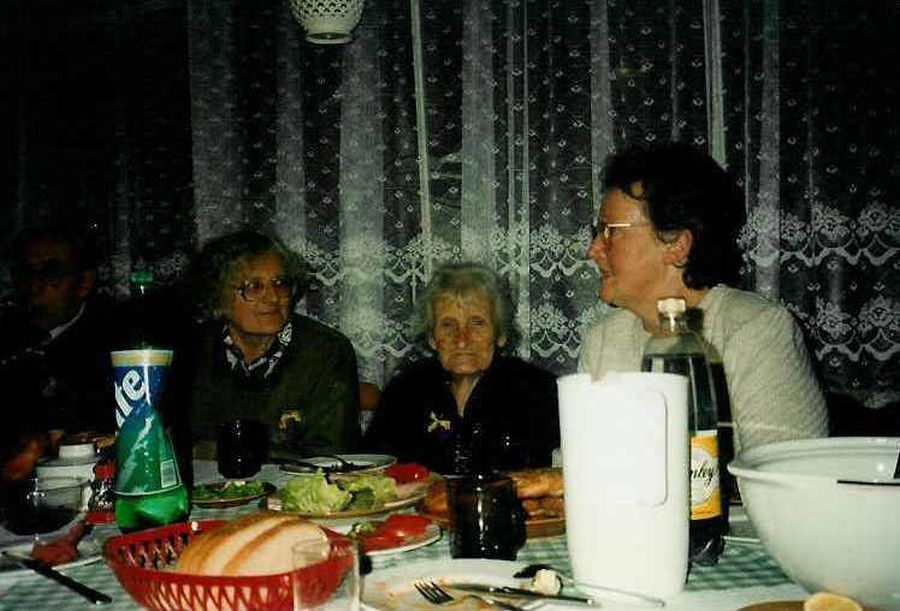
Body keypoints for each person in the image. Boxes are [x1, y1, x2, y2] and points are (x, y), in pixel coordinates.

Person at [578, 142, 828, 453]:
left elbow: (786, 471)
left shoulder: (756, 330)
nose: (593, 250)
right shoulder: (602, 341)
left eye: (609, 231)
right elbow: (583, 462)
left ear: (676, 245)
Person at [364, 262, 559, 474]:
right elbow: (374, 472)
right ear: (432, 337)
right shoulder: (404, 391)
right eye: (448, 325)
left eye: (477, 323)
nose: (462, 340)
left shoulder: (538, 391)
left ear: (500, 334)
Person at [184, 230, 361, 458]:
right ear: (217, 297)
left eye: (280, 284)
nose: (273, 298)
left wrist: (218, 450)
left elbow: (331, 453)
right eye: (254, 286)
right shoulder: (193, 351)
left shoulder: (326, 351)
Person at [0, 225, 117, 481]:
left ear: (84, 283)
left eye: (50, 273)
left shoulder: (114, 340)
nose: (34, 285)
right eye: (25, 273)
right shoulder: (8, 337)